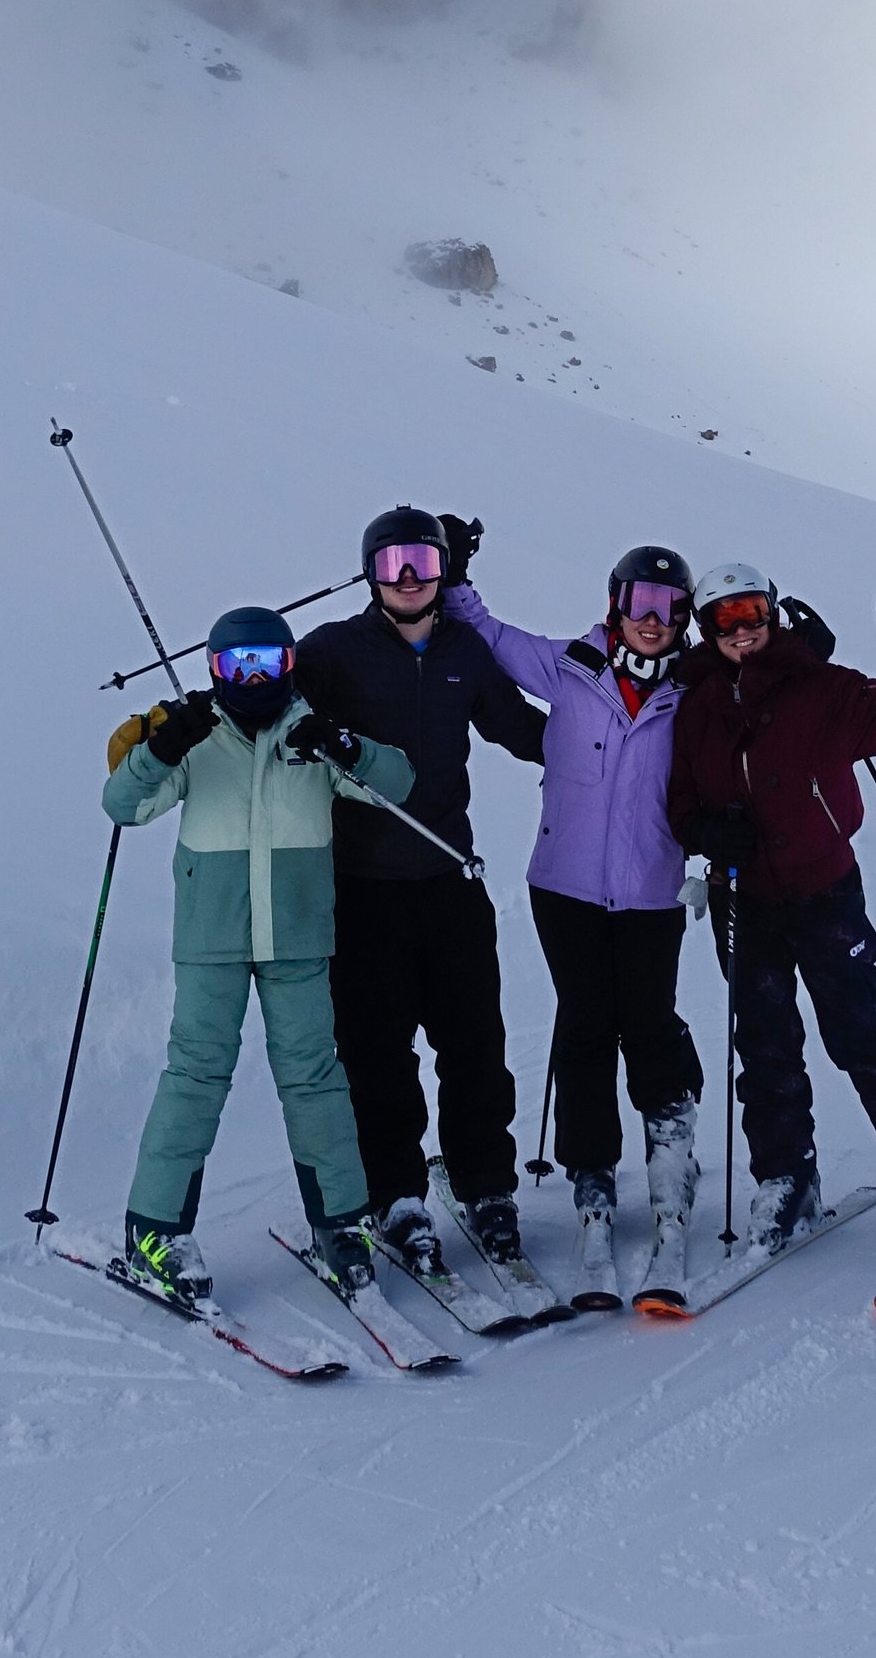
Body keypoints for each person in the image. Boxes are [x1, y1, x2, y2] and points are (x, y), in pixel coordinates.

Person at [104, 605, 415, 1307]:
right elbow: (122, 804)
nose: (251, 678)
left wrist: (342, 745)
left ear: (288, 665)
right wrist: (159, 748)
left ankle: (341, 1223)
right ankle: (155, 1229)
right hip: (212, 935)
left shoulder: (307, 735)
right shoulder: (196, 737)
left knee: (314, 1078)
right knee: (197, 1074)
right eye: (236, 666)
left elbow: (399, 783)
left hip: (298, 934)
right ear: (214, 670)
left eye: (266, 664)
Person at [667, 565, 876, 1253]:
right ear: (706, 630)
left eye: (753, 612)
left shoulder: (824, 688)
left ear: (773, 614)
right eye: (725, 618)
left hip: (822, 890)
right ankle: (786, 1179)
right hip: (741, 895)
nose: (743, 630)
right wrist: (704, 832)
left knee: (864, 1036)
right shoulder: (694, 704)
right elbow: (679, 797)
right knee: (765, 1047)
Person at [442, 527, 704, 1304]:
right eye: (639, 601)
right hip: (563, 888)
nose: (652, 619)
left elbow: (765, 687)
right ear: (614, 605)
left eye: (669, 606)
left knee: (649, 1026)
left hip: (652, 891)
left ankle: (669, 1175)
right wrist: (454, 575)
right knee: (586, 1027)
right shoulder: (573, 668)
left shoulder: (694, 695)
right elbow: (490, 637)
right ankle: (592, 1185)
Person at [294, 505, 547, 1275]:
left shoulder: (465, 650)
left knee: (474, 1043)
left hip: (449, 880)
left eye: (425, 564)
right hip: (362, 888)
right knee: (377, 1052)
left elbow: (525, 731)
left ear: (445, 574)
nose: (409, 578)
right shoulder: (334, 650)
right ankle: (397, 1195)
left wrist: (620, 734)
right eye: (394, 562)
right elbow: (270, 711)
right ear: (369, 571)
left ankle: (486, 1189)